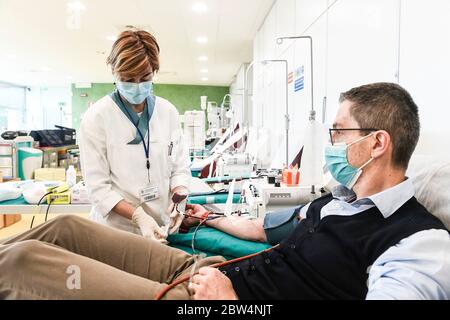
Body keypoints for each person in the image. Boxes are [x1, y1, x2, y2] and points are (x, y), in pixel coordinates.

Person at [1, 82, 449, 300]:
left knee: (23, 261)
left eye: (338, 132)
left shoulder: (417, 242)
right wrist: (206, 216)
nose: (330, 144)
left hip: (221, 303)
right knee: (65, 231)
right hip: (212, 268)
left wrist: (232, 300)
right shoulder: (335, 199)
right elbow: (259, 228)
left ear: (376, 143)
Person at [78, 29, 190, 242]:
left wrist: (179, 198)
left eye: (145, 77)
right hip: (116, 230)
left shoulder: (168, 112)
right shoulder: (97, 117)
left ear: (154, 71)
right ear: (114, 72)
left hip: (161, 226)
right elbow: (98, 188)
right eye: (128, 79)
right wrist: (138, 216)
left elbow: (180, 167)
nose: (137, 86)